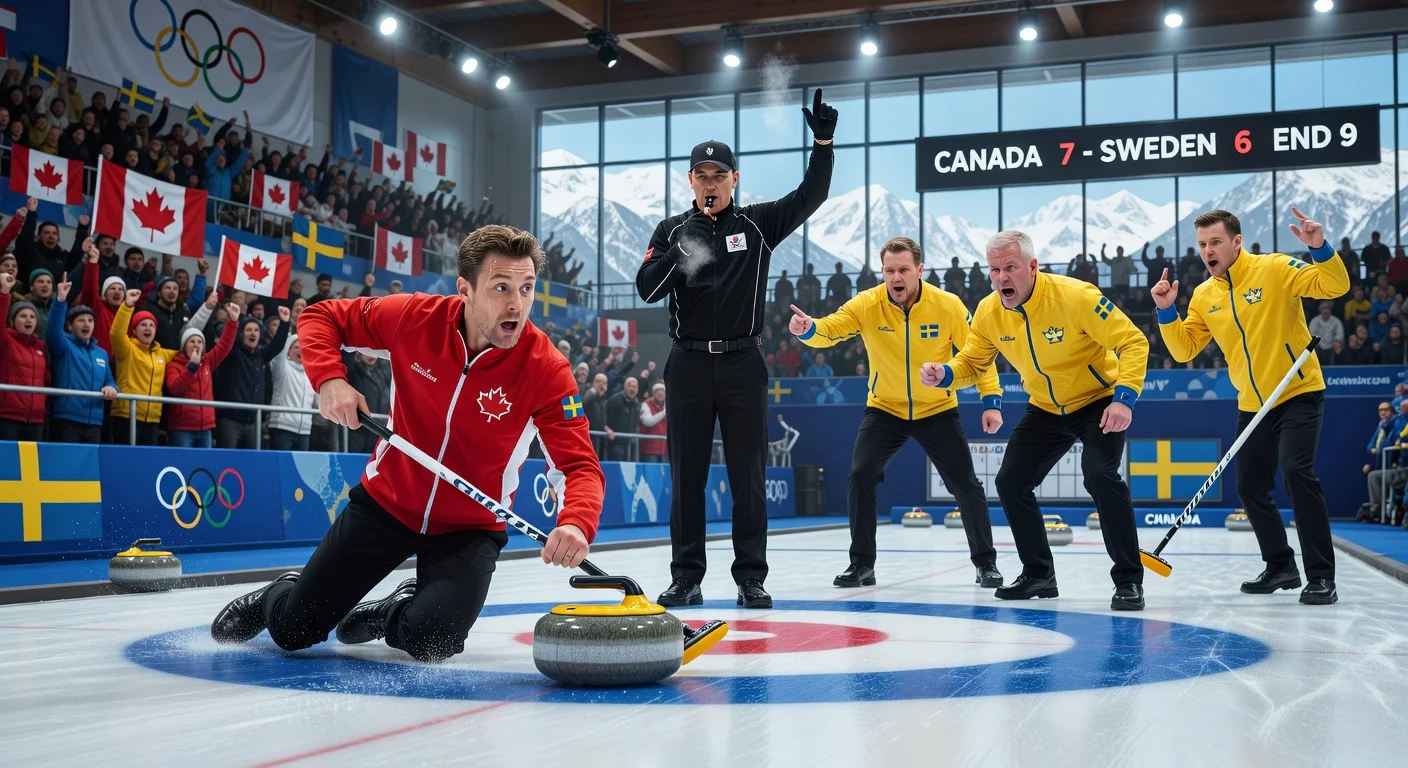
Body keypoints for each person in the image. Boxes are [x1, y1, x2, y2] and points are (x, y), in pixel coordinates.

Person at [210, 225, 605, 662]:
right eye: (501, 287)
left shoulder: (546, 369)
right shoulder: (415, 318)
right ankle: (280, 593)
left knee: (433, 641)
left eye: (527, 288)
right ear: (465, 290)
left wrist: (574, 523)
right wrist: (331, 379)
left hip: (468, 527)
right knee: (294, 632)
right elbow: (320, 318)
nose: (517, 303)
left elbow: (578, 466)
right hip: (387, 504)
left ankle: (396, 610)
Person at [635, 89, 838, 609]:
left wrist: (822, 143)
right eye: (701, 175)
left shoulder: (758, 226)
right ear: (690, 182)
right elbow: (648, 289)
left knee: (748, 476)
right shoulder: (671, 231)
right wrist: (686, 244)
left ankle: (751, 578)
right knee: (688, 479)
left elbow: (809, 197)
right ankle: (687, 578)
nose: (710, 183)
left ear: (734, 180)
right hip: (688, 364)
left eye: (718, 175)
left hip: (744, 363)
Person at [921, 230, 1150, 611]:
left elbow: (1133, 342)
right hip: (1045, 407)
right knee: (1011, 481)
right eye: (994, 270)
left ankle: (1128, 580)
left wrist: (1124, 398)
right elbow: (973, 363)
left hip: (1098, 400)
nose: (1001, 279)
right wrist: (945, 374)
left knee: (1098, 474)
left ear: (1032, 266)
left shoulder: (1076, 297)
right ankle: (1039, 574)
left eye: (1010, 268)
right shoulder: (989, 311)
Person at [1153, 208, 1349, 605]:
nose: (1208, 251)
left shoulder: (1274, 269)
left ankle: (1321, 576)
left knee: (1297, 472)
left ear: (1236, 242)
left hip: (1297, 391)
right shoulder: (1205, 295)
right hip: (1252, 403)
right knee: (1249, 487)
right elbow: (1183, 348)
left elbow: (1334, 285)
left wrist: (1319, 248)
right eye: (1203, 244)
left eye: (1216, 242)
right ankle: (1280, 565)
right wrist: (1166, 311)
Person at [790, 236, 1004, 588]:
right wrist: (808, 328)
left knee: (965, 483)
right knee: (860, 477)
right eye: (889, 270)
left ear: (919, 271)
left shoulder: (947, 305)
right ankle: (861, 565)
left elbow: (978, 353)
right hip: (885, 408)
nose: (896, 277)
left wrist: (991, 400)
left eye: (904, 269)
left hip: (936, 408)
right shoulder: (867, 303)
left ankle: (986, 564)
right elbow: (830, 329)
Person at [46, 272, 117, 443]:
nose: (86, 324)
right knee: (66, 468)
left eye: (90, 321)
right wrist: (60, 300)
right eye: (81, 320)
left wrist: (112, 387)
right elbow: (52, 332)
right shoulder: (64, 346)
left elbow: (109, 379)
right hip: (67, 419)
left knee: (89, 469)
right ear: (70, 326)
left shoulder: (101, 353)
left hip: (95, 421)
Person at [165, 300, 241, 449]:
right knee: (184, 468)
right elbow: (175, 388)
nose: (196, 345)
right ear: (183, 345)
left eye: (200, 342)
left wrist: (232, 321)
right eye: (192, 341)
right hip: (182, 429)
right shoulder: (174, 366)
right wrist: (191, 367)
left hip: (206, 428)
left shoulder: (206, 362)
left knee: (204, 470)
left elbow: (224, 346)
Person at [110, 288, 173, 446]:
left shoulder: (162, 354)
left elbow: (186, 351)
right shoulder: (127, 349)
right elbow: (116, 334)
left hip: (152, 419)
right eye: (143, 324)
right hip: (126, 416)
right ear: (134, 330)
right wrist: (127, 306)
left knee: (146, 465)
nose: (147, 328)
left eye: (151, 325)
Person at [0, 271, 48, 440]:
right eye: (22, 316)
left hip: (36, 420)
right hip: (8, 418)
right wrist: (5, 293)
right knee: (7, 465)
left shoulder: (40, 347)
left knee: (31, 467)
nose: (28, 320)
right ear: (12, 321)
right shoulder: (6, 341)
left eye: (32, 316)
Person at [639, 382, 668, 462]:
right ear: (653, 393)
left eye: (662, 391)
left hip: (664, 448)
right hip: (649, 448)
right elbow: (648, 422)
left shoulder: (667, 404)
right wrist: (663, 413)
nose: (660, 393)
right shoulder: (646, 404)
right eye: (657, 391)